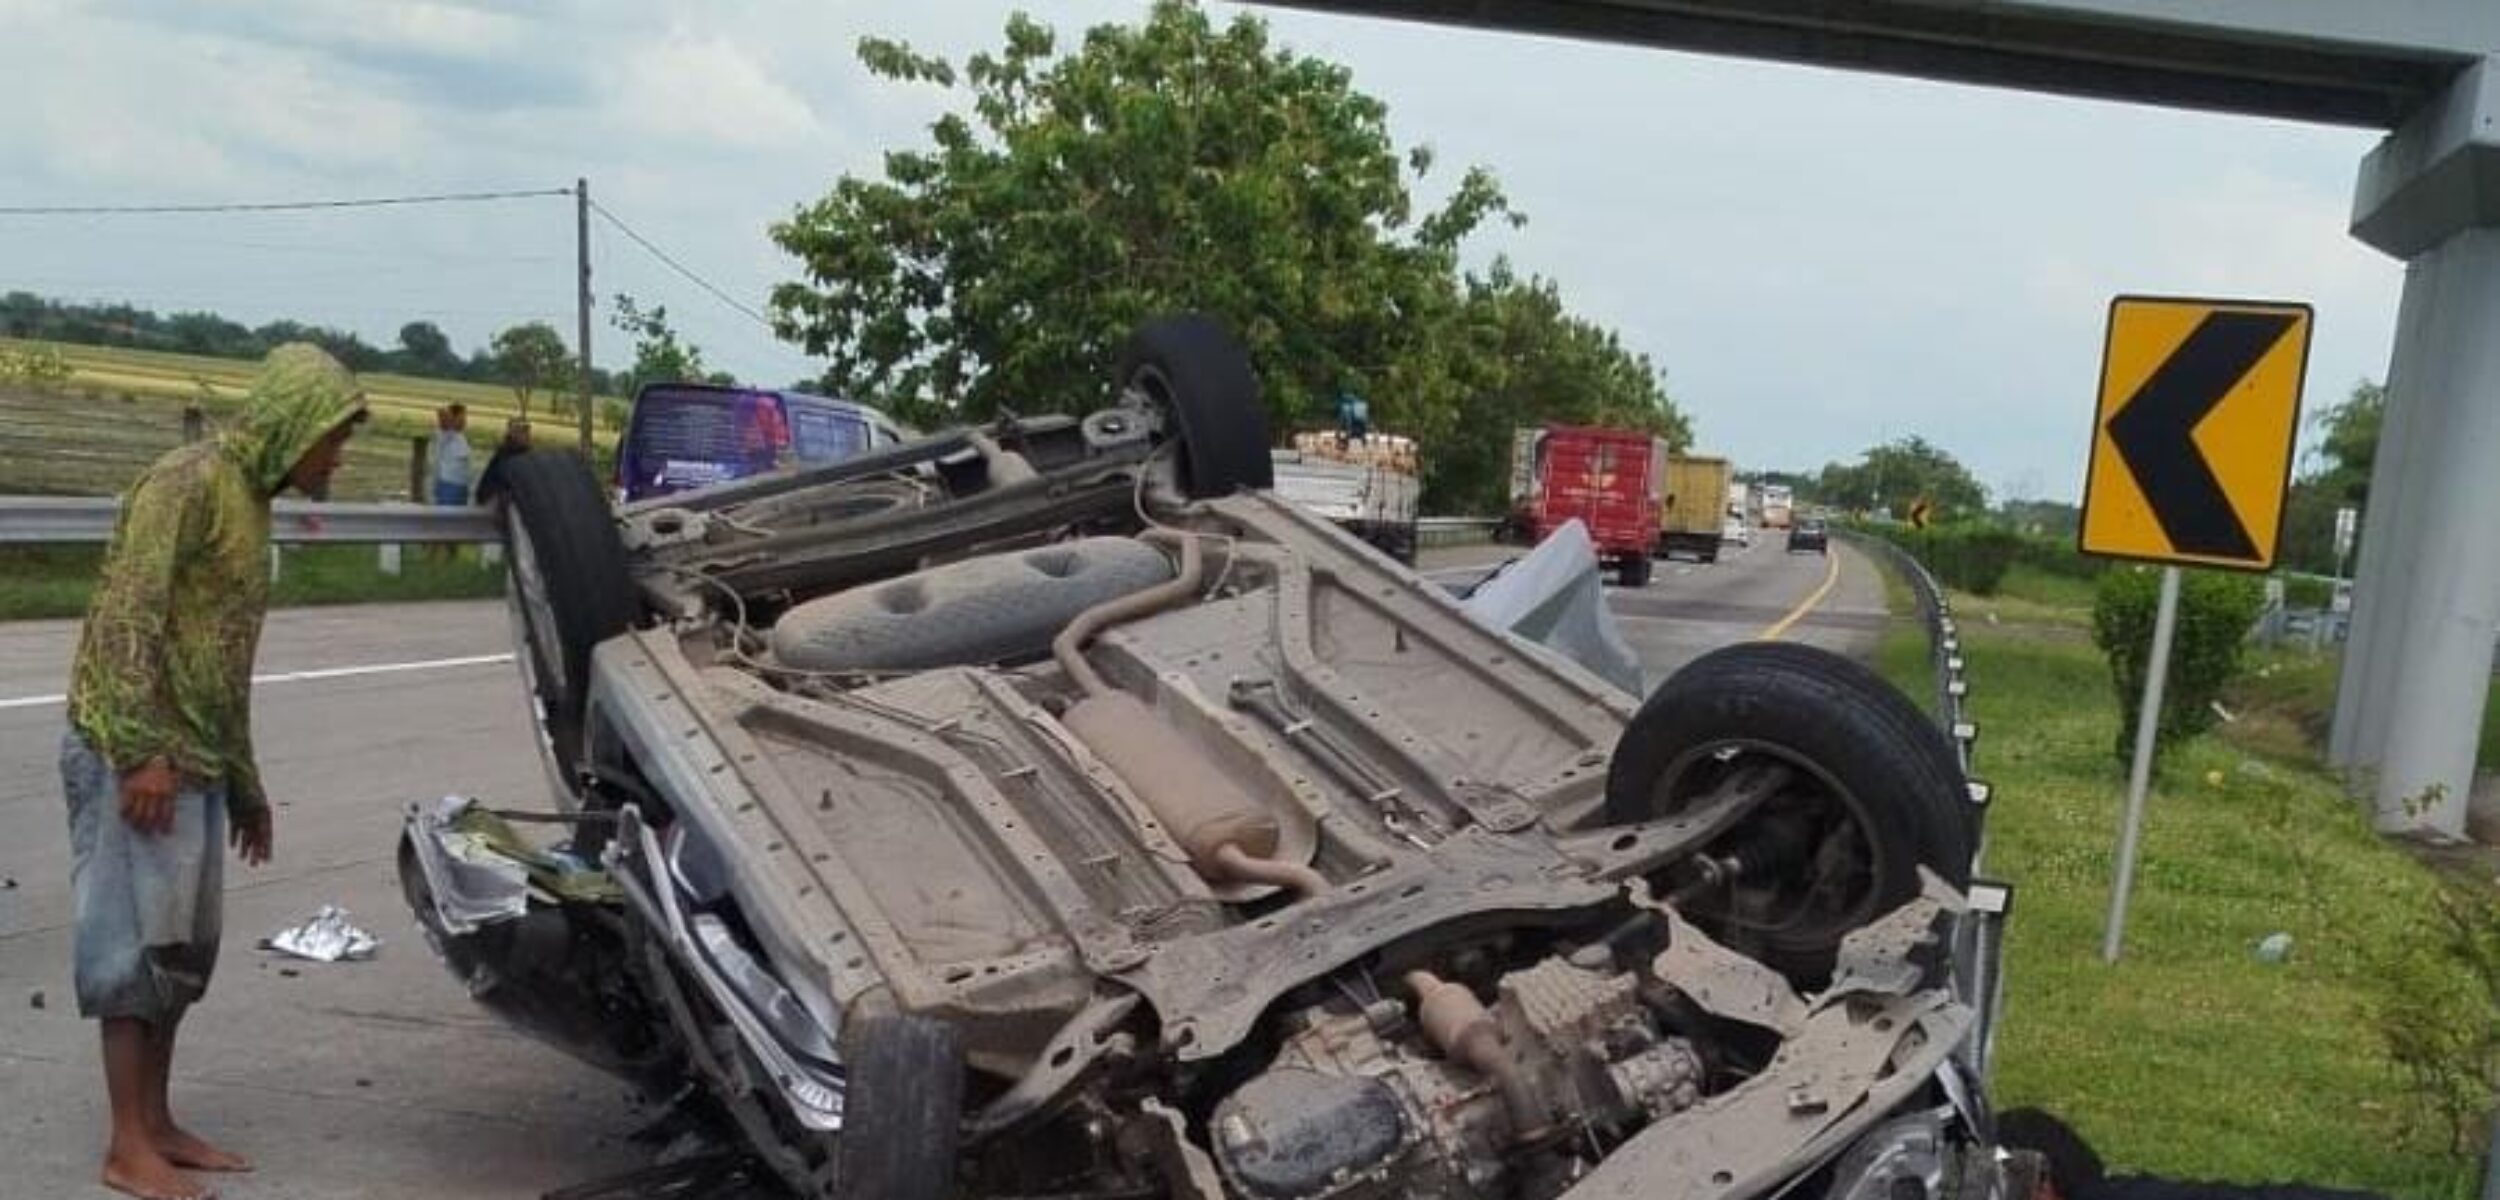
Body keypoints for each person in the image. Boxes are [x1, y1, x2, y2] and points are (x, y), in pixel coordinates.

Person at [63, 343, 365, 1200]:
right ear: (292, 424)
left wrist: (244, 784)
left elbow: (222, 660)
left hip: (193, 759)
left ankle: (156, 1124)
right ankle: (126, 1147)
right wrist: (140, 752)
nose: (336, 458)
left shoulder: (253, 504)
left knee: (182, 953)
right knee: (129, 949)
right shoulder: (187, 482)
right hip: (135, 755)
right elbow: (128, 614)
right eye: (332, 439)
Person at [472, 417, 532, 508]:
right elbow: (505, 480)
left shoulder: (520, 452)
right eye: (523, 431)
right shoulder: (507, 454)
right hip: (491, 501)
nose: (527, 435)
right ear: (513, 434)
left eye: (527, 431)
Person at [431, 403, 471, 507]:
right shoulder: (445, 434)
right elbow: (441, 414)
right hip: (448, 486)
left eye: (465, 417)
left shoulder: (461, 436)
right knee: (444, 520)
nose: (465, 421)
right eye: (462, 417)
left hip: (461, 487)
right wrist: (450, 417)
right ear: (453, 418)